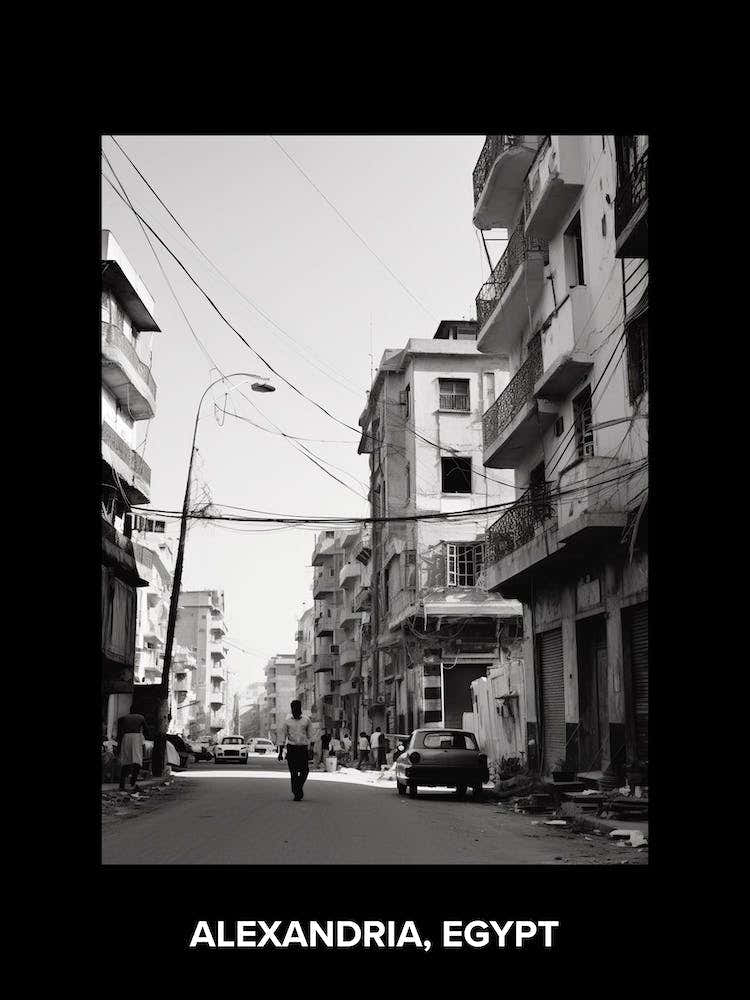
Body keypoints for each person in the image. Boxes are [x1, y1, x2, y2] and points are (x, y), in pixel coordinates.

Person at [278, 700, 312, 801]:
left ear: (300, 709)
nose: (295, 711)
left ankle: (298, 788)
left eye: (297, 709)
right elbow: (282, 738)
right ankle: (296, 792)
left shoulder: (306, 720)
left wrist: (310, 750)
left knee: (305, 771)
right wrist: (280, 753)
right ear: (291, 709)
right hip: (292, 749)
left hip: (303, 749)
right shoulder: (287, 722)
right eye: (293, 709)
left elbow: (310, 736)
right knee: (293, 772)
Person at [118, 709, 148, 792]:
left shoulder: (124, 718)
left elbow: (120, 730)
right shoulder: (140, 717)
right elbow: (146, 729)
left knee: (126, 760)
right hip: (136, 737)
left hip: (126, 737)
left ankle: (122, 784)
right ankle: (133, 781)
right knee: (137, 760)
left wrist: (119, 743)